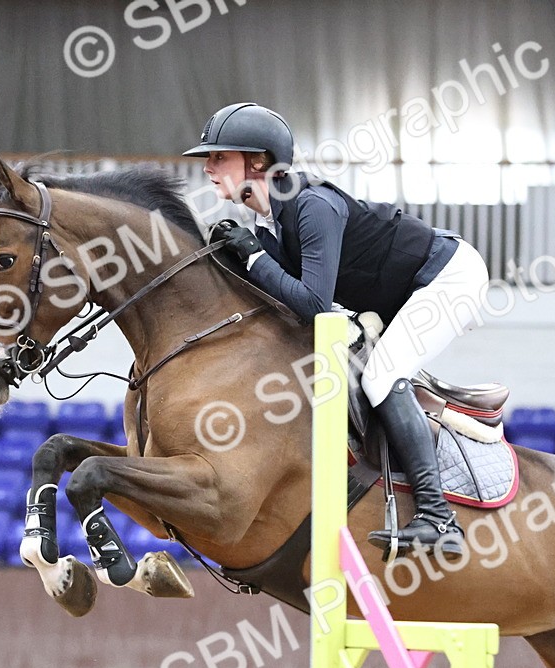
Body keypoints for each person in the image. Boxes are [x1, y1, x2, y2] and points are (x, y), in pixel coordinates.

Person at [183, 102, 489, 559]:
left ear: (259, 161)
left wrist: (253, 258)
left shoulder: (312, 206)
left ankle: (437, 516)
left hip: (448, 276)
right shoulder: (268, 223)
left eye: (219, 157)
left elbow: (313, 306)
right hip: (406, 290)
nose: (207, 168)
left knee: (381, 376)